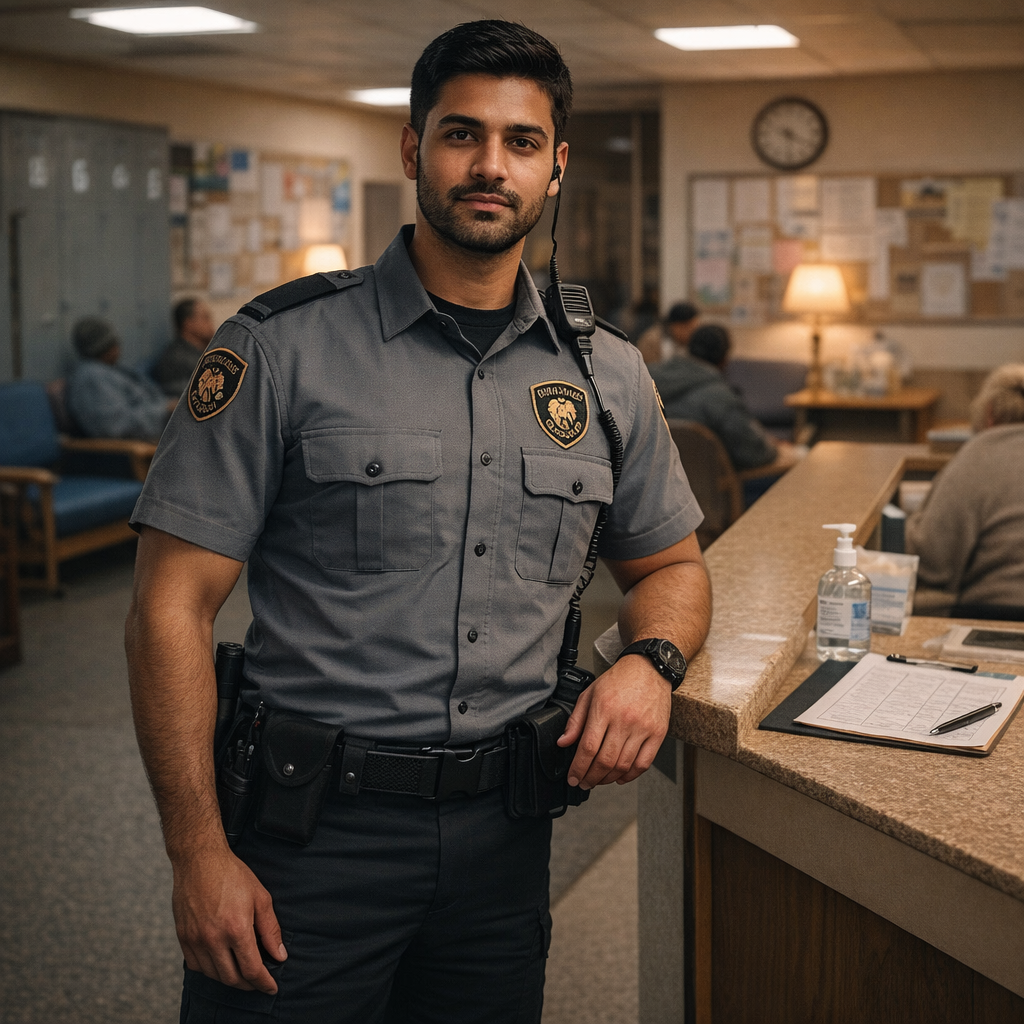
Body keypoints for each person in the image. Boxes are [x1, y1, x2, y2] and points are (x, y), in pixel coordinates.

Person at [125, 20, 711, 1024]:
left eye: (522, 142)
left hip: (504, 843)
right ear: (412, 149)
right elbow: (168, 606)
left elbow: (674, 567)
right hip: (309, 836)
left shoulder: (605, 371)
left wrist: (645, 662)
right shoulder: (281, 347)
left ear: (556, 165)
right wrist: (197, 852)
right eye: (460, 134)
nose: (490, 166)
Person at [907, 364, 1024, 617]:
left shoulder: (980, 453)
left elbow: (933, 563)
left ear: (990, 413)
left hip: (996, 612)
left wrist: (913, 521)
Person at [650, 322, 780, 471]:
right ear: (724, 359)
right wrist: (776, 449)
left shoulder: (646, 380)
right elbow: (753, 453)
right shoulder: (722, 399)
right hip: (715, 489)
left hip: (657, 485)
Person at [66, 315, 175, 441]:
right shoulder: (92, 377)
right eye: (113, 343)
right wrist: (164, 410)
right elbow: (115, 426)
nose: (119, 347)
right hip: (136, 447)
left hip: (161, 433)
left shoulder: (112, 368)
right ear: (104, 347)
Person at [155, 298, 217, 397]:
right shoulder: (176, 358)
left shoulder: (203, 351)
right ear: (188, 323)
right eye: (206, 318)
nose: (211, 324)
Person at [636, 300, 699, 365]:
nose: (694, 333)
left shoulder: (693, 342)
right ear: (676, 326)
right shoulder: (652, 341)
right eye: (690, 328)